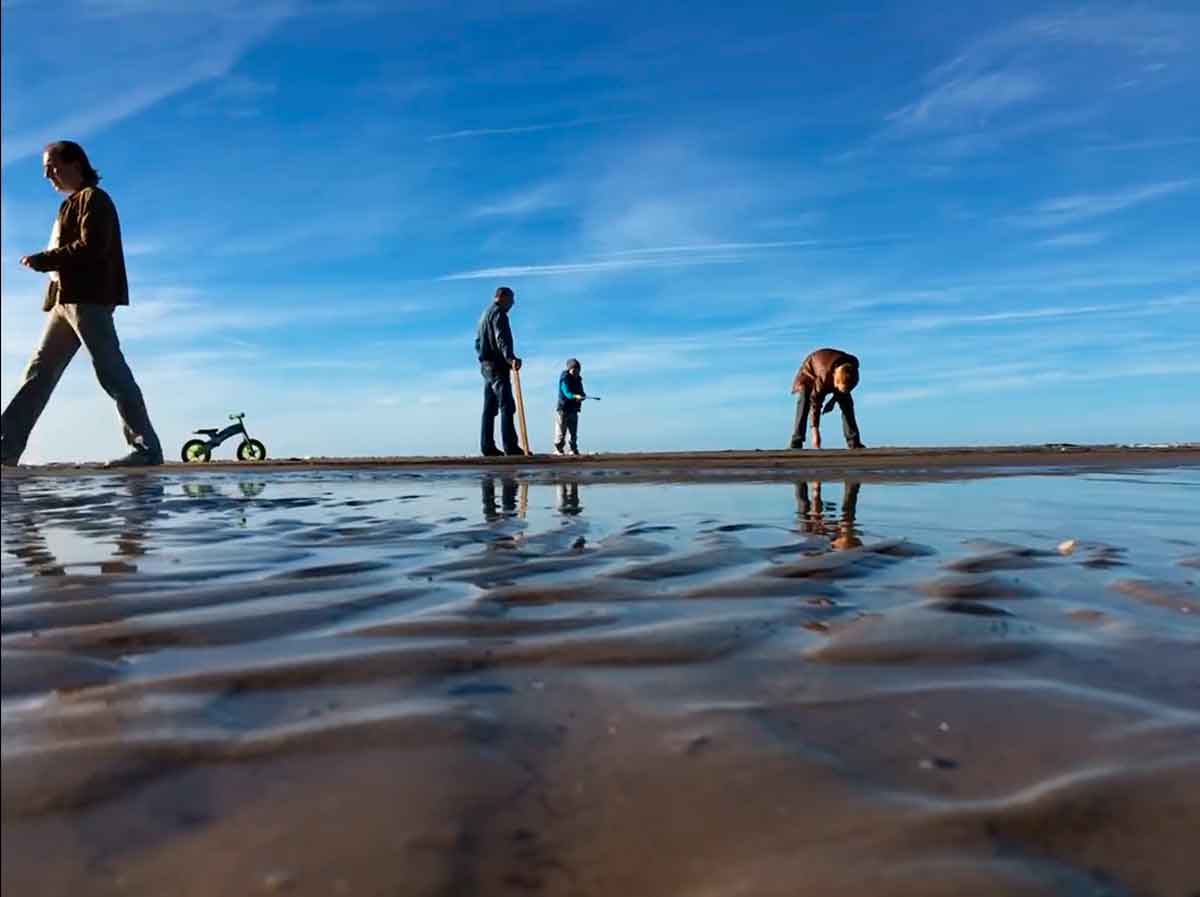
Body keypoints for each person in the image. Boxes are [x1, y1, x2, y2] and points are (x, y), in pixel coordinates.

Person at [2, 141, 163, 467]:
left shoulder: (94, 199)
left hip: (87, 300)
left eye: (52, 166)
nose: (48, 175)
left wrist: (42, 260)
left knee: (112, 372)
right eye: (45, 170)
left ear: (75, 163)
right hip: (65, 302)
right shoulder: (69, 204)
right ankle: (5, 448)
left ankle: (146, 449)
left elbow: (91, 248)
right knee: (38, 373)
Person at [474, 286, 524, 456]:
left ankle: (487, 446)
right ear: (502, 297)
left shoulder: (483, 315)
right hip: (497, 366)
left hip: (486, 366)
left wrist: (483, 359)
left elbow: (477, 343)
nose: (513, 303)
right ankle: (511, 447)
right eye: (511, 299)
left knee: (489, 407)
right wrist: (510, 358)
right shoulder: (499, 314)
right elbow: (501, 338)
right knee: (507, 405)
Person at [788, 348, 864, 450]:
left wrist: (833, 401)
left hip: (832, 369)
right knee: (804, 401)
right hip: (809, 374)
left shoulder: (851, 371)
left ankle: (854, 442)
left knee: (847, 403)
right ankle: (796, 441)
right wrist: (815, 432)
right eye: (839, 388)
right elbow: (815, 402)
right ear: (834, 381)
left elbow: (841, 391)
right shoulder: (824, 376)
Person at [553, 357, 586, 455]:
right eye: (574, 369)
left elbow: (581, 392)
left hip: (574, 409)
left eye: (578, 370)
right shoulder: (564, 378)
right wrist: (576, 396)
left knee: (573, 432)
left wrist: (583, 396)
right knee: (561, 432)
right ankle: (558, 450)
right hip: (563, 409)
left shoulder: (578, 380)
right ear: (569, 369)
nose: (576, 371)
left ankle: (573, 449)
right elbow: (567, 393)